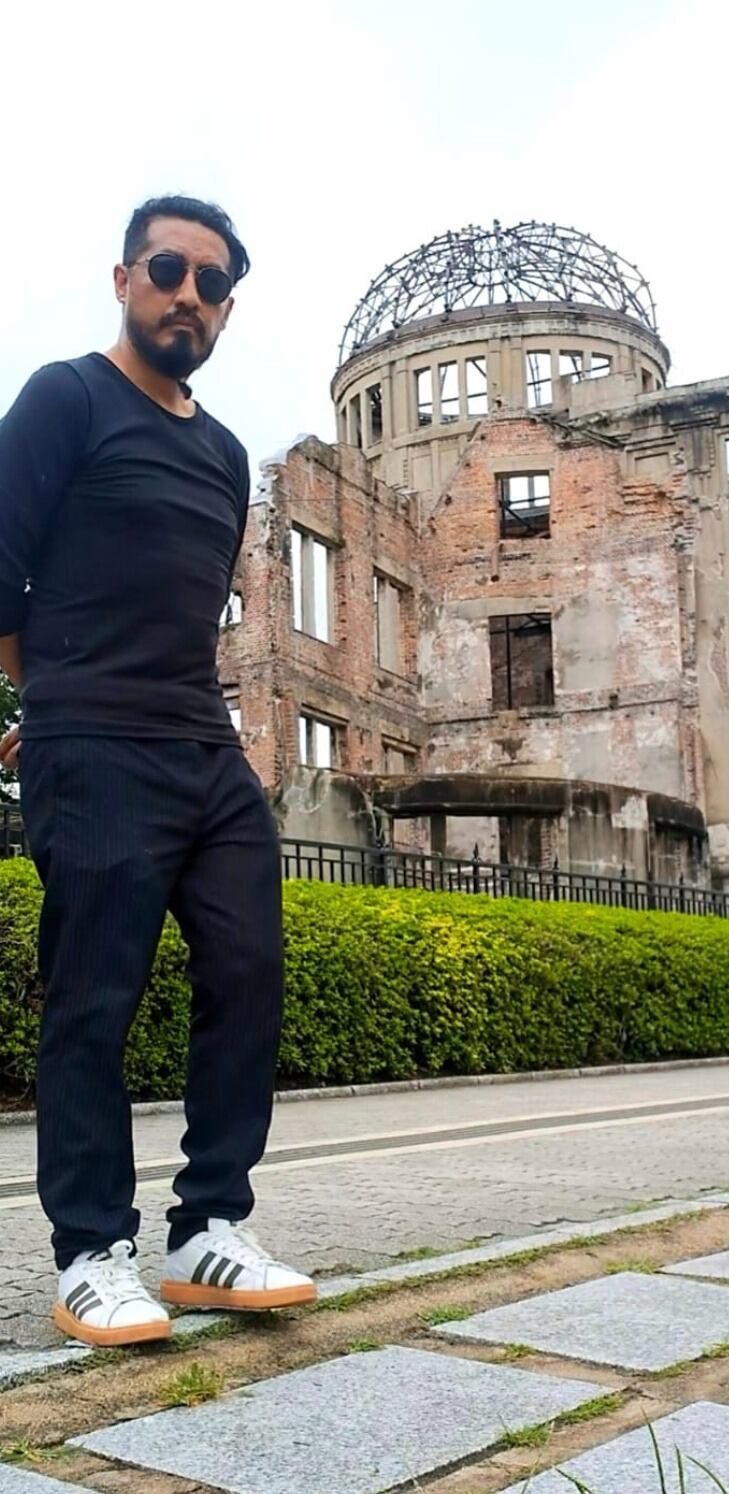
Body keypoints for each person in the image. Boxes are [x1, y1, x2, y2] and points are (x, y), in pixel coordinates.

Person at [0, 196, 316, 1348]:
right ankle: (90, 1250)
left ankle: (205, 1233)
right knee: (95, 996)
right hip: (95, 747)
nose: (190, 294)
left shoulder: (223, 451)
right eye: (170, 269)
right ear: (126, 277)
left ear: (228, 309)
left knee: (251, 966)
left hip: (204, 744)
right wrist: (53, 701)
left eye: (213, 282)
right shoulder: (64, 397)